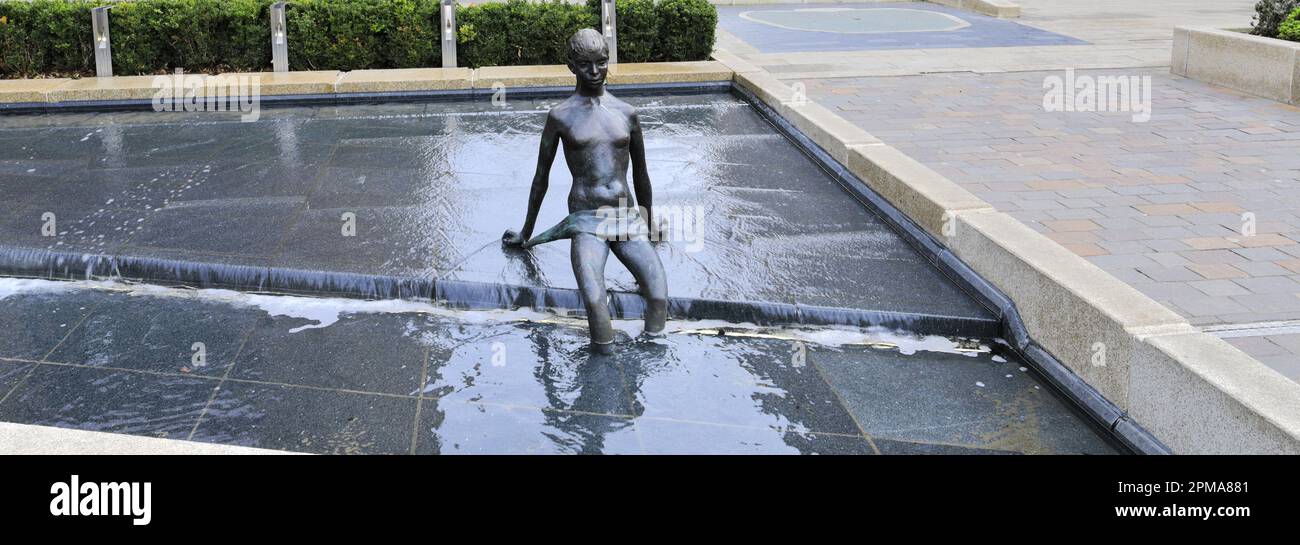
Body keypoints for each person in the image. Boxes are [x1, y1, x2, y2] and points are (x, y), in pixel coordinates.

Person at [502, 28, 668, 348]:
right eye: (585, 65)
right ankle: (603, 360)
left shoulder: (627, 113)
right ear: (571, 66)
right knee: (594, 300)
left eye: (602, 63)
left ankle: (652, 354)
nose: (595, 72)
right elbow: (541, 178)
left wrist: (647, 225)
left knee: (659, 294)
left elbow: (642, 176)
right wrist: (526, 233)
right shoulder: (561, 116)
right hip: (586, 219)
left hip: (625, 216)